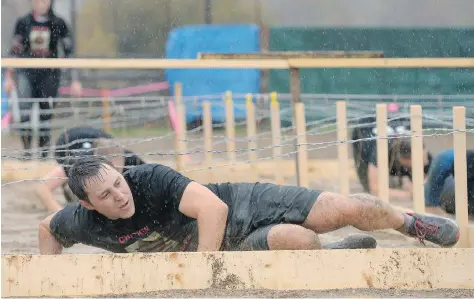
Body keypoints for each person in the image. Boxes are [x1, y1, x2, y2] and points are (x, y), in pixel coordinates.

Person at [38, 155, 460, 255]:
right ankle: (328, 255)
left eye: (117, 182)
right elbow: (46, 230)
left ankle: (410, 223)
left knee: (339, 210)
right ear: (89, 206)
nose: (120, 194)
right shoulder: (82, 223)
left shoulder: (148, 178)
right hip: (233, 248)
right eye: (107, 195)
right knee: (298, 240)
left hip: (239, 204)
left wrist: (206, 277)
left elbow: (214, 211)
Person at [3, 0, 82, 158]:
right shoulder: (23, 22)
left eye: (43, 0)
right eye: (36, 0)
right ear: (31, 1)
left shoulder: (58, 23)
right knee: (24, 113)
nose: (40, 4)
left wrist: (75, 79)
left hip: (50, 74)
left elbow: (69, 53)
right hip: (26, 72)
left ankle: (44, 153)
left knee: (45, 114)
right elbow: (14, 51)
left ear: (50, 1)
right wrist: (9, 77)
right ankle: (27, 152)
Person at [36, 126, 146, 213]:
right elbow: (42, 187)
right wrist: (59, 212)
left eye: (117, 181)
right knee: (80, 183)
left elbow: (151, 178)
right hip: (67, 139)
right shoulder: (80, 161)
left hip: (101, 139)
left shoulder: (131, 159)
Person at [351, 116, 432, 199]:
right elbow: (375, 189)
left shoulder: (421, 152)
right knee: (367, 189)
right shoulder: (380, 151)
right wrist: (409, 194)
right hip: (363, 130)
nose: (425, 164)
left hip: (394, 127)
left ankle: (403, 177)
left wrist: (418, 186)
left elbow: (430, 180)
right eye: (420, 164)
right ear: (405, 159)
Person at [424, 149, 474, 215]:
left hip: (459, 161)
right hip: (448, 161)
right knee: (430, 202)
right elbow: (430, 204)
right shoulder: (442, 161)